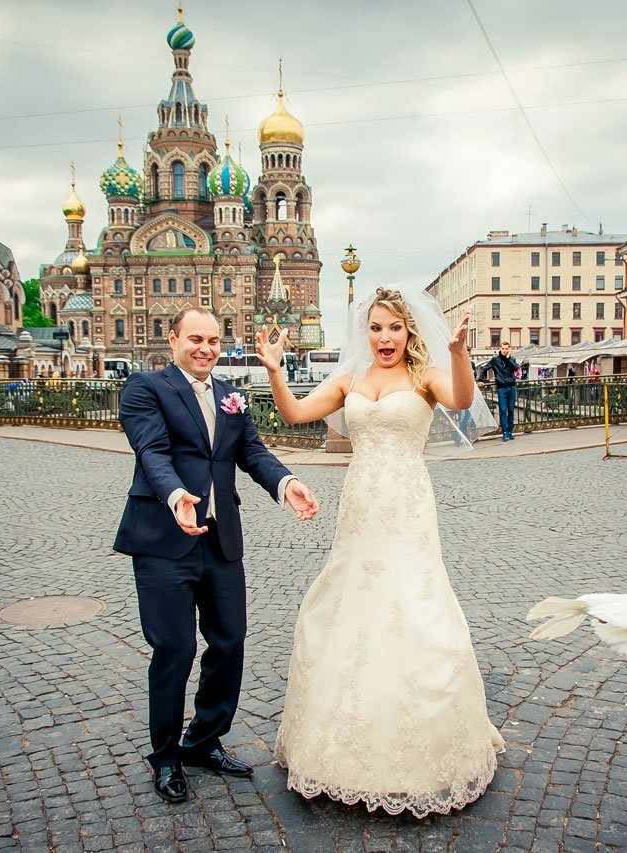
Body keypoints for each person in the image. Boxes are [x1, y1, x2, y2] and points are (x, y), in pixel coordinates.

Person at [261, 287, 504, 818]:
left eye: (394, 327)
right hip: (360, 505)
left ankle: (426, 742)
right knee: (351, 601)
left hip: (407, 503)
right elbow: (296, 412)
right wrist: (276, 370)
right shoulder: (350, 379)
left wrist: (460, 354)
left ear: (409, 331)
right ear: (365, 332)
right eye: (376, 327)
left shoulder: (424, 377)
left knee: (413, 601)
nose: (385, 337)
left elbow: (462, 400)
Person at [113, 307, 321, 804]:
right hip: (165, 540)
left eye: (213, 339)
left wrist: (286, 482)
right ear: (174, 340)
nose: (206, 348)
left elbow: (252, 453)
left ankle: (205, 739)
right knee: (176, 649)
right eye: (195, 339)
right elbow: (152, 451)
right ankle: (165, 756)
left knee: (229, 642)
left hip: (221, 539)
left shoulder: (231, 395)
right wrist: (175, 496)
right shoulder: (146, 389)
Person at [487, 341, 519, 440]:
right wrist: (481, 379)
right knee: (503, 410)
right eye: (503, 348)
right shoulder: (495, 360)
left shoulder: (512, 359)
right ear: (500, 349)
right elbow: (485, 368)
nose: (504, 351)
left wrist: (509, 358)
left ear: (509, 349)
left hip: (512, 387)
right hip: (502, 388)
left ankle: (510, 431)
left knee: (511, 410)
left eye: (506, 349)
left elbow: (516, 368)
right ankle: (504, 432)